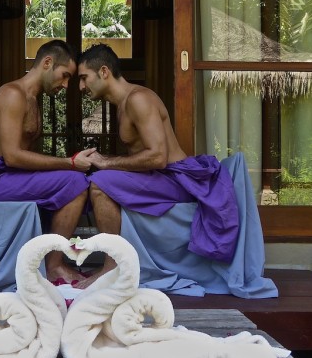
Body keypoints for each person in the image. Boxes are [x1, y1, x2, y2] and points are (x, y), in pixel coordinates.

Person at [74, 43, 239, 288]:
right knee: (98, 178)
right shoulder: (122, 105)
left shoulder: (139, 99)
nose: (81, 87)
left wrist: (105, 163)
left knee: (99, 184)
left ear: (104, 72)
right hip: (160, 178)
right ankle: (114, 264)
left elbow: (158, 157)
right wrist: (101, 160)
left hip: (176, 181)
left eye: (84, 78)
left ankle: (111, 268)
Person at [0, 40, 96, 284]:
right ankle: (54, 267)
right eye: (64, 76)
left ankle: (51, 262)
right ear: (47, 63)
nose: (65, 84)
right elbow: (12, 156)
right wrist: (70, 162)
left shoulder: (33, 98)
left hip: (5, 177)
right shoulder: (12, 94)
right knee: (75, 183)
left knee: (73, 182)